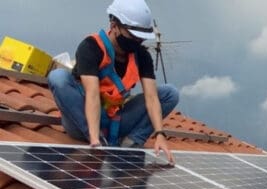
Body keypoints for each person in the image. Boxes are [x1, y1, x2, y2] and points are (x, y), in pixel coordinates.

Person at [47, 0, 178, 164]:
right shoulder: (91, 47)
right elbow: (92, 94)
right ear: (114, 25)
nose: (137, 42)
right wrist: (95, 141)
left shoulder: (141, 56)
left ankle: (132, 141)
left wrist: (160, 134)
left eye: (141, 39)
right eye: (133, 36)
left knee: (170, 94)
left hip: (114, 121)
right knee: (58, 77)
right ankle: (98, 140)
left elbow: (152, 98)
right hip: (82, 119)